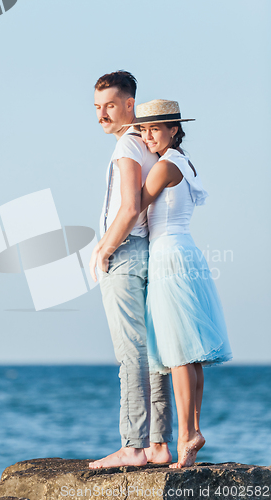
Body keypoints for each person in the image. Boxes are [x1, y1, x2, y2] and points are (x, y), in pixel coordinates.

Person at [128, 99, 233, 468]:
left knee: (178, 353)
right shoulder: (183, 162)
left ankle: (187, 434)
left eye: (155, 128)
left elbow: (133, 207)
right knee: (188, 353)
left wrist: (105, 246)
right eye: (142, 129)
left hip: (170, 256)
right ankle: (193, 431)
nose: (147, 136)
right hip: (182, 252)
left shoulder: (166, 164)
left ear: (174, 129)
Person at [89, 73, 173, 469]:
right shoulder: (148, 144)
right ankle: (159, 444)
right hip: (148, 251)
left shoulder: (126, 143)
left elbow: (128, 207)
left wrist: (103, 250)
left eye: (109, 105)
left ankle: (133, 446)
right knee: (153, 350)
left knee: (131, 353)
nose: (102, 114)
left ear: (129, 105)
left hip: (124, 252)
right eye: (97, 107)